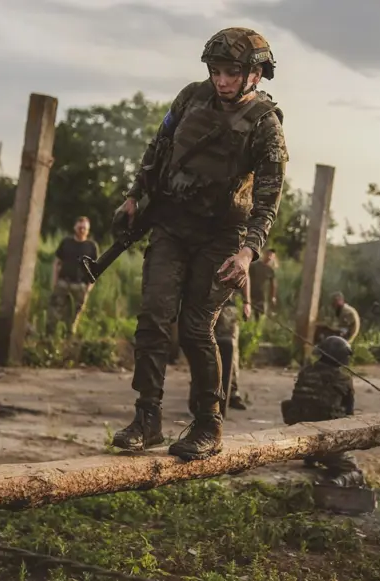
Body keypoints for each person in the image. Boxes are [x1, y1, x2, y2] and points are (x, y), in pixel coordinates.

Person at [110, 27, 288, 461]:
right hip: (171, 223)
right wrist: (135, 195)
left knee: (195, 328)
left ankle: (209, 423)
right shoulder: (191, 97)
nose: (222, 80)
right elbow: (160, 147)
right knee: (153, 318)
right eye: (216, 71)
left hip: (222, 237)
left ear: (256, 74)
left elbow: (268, 201)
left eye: (232, 72)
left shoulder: (266, 125)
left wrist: (247, 253)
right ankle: (146, 418)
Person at [281, 336, 364, 486]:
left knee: (292, 405)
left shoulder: (305, 372)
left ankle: (311, 457)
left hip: (299, 438)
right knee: (352, 469)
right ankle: (335, 484)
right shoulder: (344, 379)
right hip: (324, 441)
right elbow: (349, 414)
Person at [47, 216, 99, 336]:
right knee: (54, 313)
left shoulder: (91, 246)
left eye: (84, 228)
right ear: (75, 227)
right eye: (80, 227)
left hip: (80, 285)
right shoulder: (66, 242)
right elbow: (57, 262)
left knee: (73, 317)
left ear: (88, 230)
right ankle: (49, 338)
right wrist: (54, 280)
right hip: (63, 282)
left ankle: (68, 340)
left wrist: (90, 286)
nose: (81, 230)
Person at [218, 280, 252, 412]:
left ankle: (232, 391)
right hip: (204, 304)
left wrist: (247, 302)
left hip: (227, 306)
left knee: (230, 351)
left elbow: (245, 269)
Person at [249, 248, 278, 319]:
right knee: (250, 316)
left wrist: (273, 297)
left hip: (262, 298)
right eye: (268, 254)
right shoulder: (254, 265)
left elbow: (273, 285)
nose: (269, 257)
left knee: (261, 317)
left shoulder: (271, 270)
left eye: (271, 255)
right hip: (251, 295)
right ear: (264, 254)